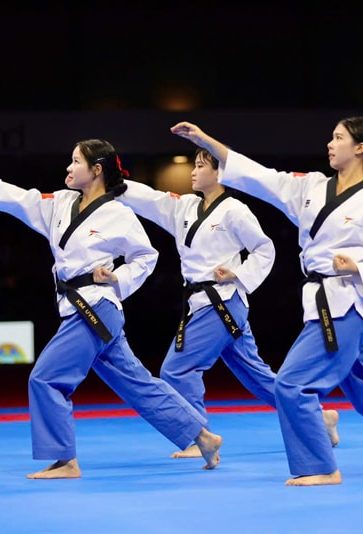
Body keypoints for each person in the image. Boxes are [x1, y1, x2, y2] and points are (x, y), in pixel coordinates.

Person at [170, 118, 363, 486]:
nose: (330, 143)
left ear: (360, 148)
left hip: (346, 305)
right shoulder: (311, 187)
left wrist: (360, 268)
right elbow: (257, 176)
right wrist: (207, 141)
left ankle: (320, 467)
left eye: (338, 137)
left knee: (291, 385)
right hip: (324, 303)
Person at [0, 138, 223, 479]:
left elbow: (146, 256)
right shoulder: (60, 204)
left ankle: (65, 461)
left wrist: (118, 278)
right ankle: (203, 436)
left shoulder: (118, 214)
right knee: (137, 384)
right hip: (81, 308)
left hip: (96, 307)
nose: (68, 167)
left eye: (76, 161)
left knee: (46, 379)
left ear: (96, 170)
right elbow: (14, 197)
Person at [118, 148, 340, 458]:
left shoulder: (235, 210)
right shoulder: (185, 207)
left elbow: (264, 248)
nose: (193, 171)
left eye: (200, 166)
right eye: (194, 165)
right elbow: (151, 200)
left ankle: (200, 436)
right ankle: (319, 417)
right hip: (206, 303)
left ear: (219, 173)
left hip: (222, 302)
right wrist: (117, 185)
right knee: (257, 377)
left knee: (178, 369)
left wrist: (239, 274)